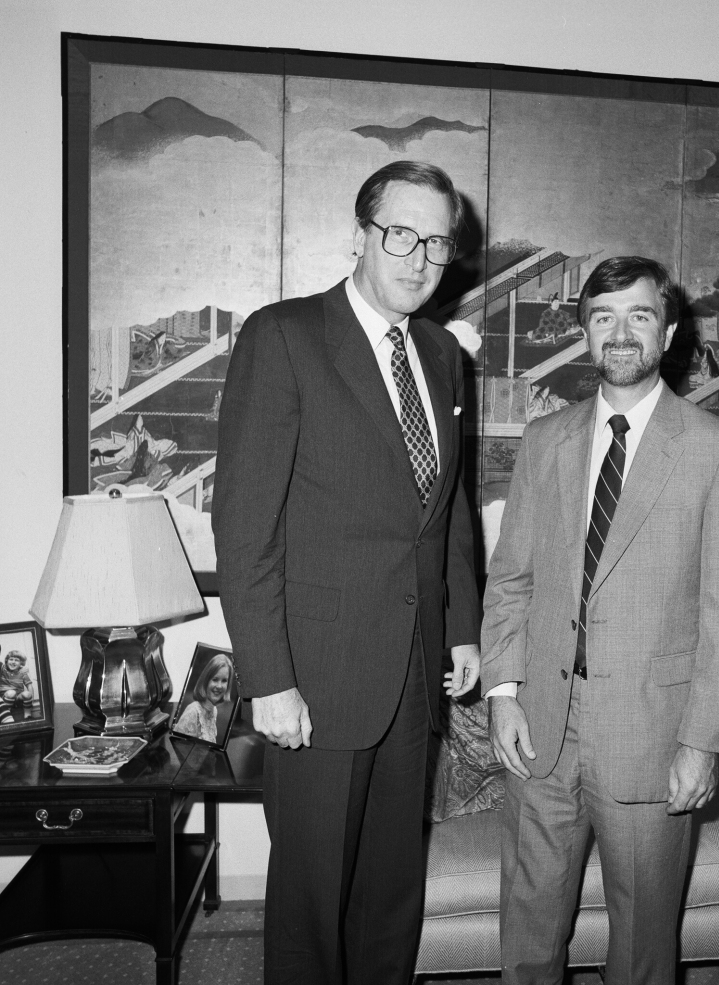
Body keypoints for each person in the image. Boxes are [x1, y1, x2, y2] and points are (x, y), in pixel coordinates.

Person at [213, 160, 482, 985]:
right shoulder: (285, 335)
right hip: (315, 678)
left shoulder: (441, 354)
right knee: (311, 898)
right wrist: (270, 678)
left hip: (413, 667)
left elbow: (449, 506)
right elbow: (245, 522)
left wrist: (464, 625)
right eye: (400, 234)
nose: (418, 258)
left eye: (437, 243)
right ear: (361, 234)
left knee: (391, 890)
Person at [481, 256, 719, 985]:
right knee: (527, 931)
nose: (620, 332)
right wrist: (503, 691)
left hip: (653, 734)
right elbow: (511, 577)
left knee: (642, 945)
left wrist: (703, 741)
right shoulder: (546, 441)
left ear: (668, 332)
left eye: (639, 316)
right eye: (603, 317)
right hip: (541, 727)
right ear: (583, 333)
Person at [174, 651, 235, 743]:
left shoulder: (213, 711)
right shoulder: (193, 711)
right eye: (215, 679)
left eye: (224, 681)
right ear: (206, 680)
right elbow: (177, 746)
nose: (219, 686)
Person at [0, 649, 35, 724]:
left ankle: (28, 716)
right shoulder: (3, 669)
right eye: (11, 659)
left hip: (18, 698)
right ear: (7, 661)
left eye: (16, 660)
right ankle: (7, 714)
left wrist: (32, 699)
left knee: (27, 694)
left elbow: (29, 686)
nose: (13, 662)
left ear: (21, 663)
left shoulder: (22, 673)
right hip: (5, 698)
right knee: (11, 693)